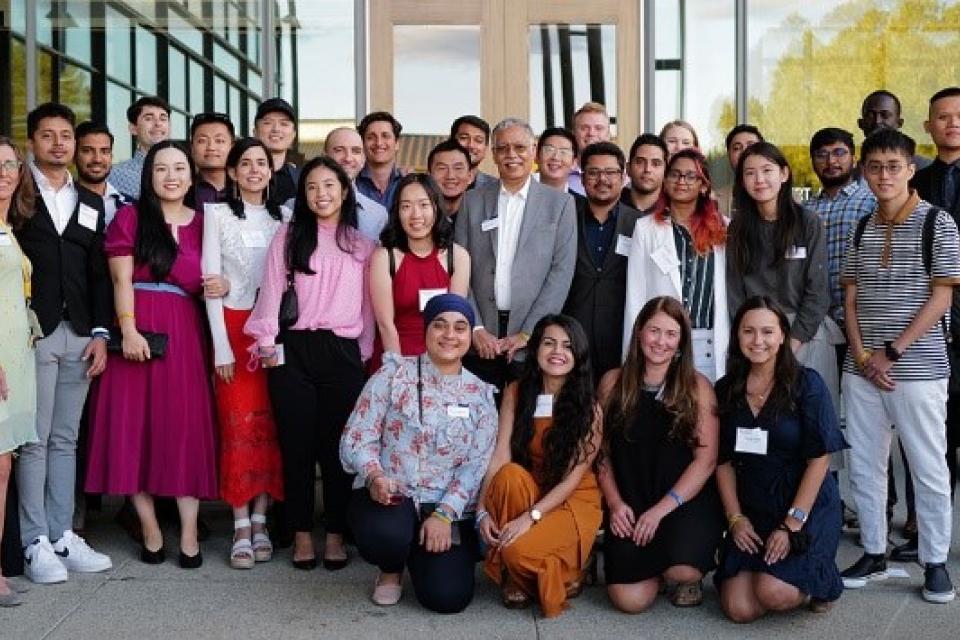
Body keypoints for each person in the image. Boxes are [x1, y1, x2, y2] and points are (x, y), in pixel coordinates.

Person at [840, 128, 960, 604]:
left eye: (894, 166)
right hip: (862, 368)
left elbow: (942, 295)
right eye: (874, 167)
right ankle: (874, 551)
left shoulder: (939, 223)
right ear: (865, 172)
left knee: (928, 466)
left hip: (919, 368)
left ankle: (934, 562)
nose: (884, 175)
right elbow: (848, 296)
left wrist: (891, 351)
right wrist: (864, 355)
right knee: (865, 465)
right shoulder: (861, 225)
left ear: (912, 170)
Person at [85, 141, 217, 569]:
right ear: (149, 175)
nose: (171, 176)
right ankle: (151, 530)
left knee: (182, 430)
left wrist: (224, 286)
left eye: (180, 167)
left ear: (191, 175)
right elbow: (120, 278)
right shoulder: (130, 217)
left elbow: (217, 276)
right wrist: (128, 328)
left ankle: (191, 532)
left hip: (184, 335)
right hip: (137, 331)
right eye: (162, 169)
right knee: (133, 431)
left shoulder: (206, 223)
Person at [245, 156, 375, 572]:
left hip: (342, 351)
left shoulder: (362, 244)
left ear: (344, 191)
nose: (321, 193)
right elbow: (269, 292)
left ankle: (335, 534)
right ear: (304, 195)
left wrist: (365, 351)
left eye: (330, 186)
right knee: (296, 445)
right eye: (313, 187)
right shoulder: (288, 235)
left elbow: (369, 307)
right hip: (293, 349)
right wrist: (266, 339)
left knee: (337, 448)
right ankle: (302, 533)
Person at [341, 293, 497, 612]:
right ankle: (391, 567)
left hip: (443, 506)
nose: (449, 335)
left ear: (470, 335)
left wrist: (444, 514)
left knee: (447, 598)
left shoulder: (480, 395)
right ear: (426, 331)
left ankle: (421, 551)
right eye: (439, 325)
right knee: (386, 535)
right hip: (392, 493)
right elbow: (357, 435)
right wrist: (374, 475)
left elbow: (476, 465)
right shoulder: (393, 375)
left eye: (460, 327)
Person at [16, 103, 112, 584]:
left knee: (65, 438)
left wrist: (101, 333)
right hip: (32, 332)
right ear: (32, 141)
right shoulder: (16, 195)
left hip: (80, 334)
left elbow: (98, 275)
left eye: (65, 136)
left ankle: (60, 534)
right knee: (33, 439)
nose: (59, 144)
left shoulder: (91, 203)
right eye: (48, 135)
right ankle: (32, 541)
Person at [714, 296, 846, 621]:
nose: (758, 341)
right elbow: (722, 461)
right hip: (754, 507)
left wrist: (791, 525)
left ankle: (819, 580)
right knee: (739, 609)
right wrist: (735, 519)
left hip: (804, 505)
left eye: (767, 332)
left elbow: (820, 460)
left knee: (774, 593)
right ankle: (774, 574)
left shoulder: (807, 384)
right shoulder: (726, 389)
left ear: (782, 336)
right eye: (748, 331)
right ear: (737, 336)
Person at [600, 296, 724, 612]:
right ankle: (653, 572)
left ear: (681, 341)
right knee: (629, 601)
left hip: (681, 501)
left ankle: (678, 571)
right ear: (639, 332)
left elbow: (706, 460)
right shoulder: (613, 382)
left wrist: (660, 510)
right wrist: (615, 504)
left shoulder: (697, 387)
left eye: (671, 334)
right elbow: (599, 453)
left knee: (683, 570)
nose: (661, 342)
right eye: (654, 331)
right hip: (631, 497)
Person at [477, 314, 602, 617]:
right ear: (535, 349)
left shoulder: (591, 408)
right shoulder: (516, 392)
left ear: (578, 355)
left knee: (516, 550)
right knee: (509, 475)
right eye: (549, 343)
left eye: (567, 346)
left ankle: (563, 569)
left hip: (571, 500)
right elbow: (500, 455)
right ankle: (540, 572)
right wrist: (481, 510)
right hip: (530, 489)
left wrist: (529, 519)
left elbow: (571, 481)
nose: (557, 352)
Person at [201, 137, 287, 569]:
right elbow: (210, 284)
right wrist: (220, 348)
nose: (255, 170)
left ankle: (260, 519)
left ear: (271, 172)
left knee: (272, 427)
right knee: (238, 428)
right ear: (232, 172)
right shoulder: (215, 215)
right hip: (233, 331)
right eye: (246, 163)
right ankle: (238, 522)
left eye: (262, 163)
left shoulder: (285, 217)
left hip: (272, 332)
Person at [454, 117, 577, 393]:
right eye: (503, 148)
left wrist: (528, 333)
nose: (512, 155)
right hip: (480, 337)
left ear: (534, 151)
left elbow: (561, 272)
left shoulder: (559, 204)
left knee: (523, 421)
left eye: (520, 147)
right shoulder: (472, 201)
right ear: (494, 155)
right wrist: (475, 327)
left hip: (531, 338)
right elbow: (458, 269)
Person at [726, 142, 836, 410]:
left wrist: (792, 341)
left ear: (784, 174)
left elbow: (818, 290)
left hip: (805, 334)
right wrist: (754, 337)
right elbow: (734, 293)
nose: (759, 179)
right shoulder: (737, 229)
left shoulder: (808, 222)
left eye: (767, 170)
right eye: (750, 173)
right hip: (756, 339)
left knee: (813, 419)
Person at [625, 149, 729, 382]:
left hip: (709, 342)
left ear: (703, 186)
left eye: (691, 176)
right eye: (675, 174)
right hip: (660, 344)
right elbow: (635, 296)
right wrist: (631, 352)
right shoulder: (646, 229)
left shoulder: (724, 229)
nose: (681, 181)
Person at [913, 87, 960, 520]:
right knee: (933, 434)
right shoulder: (916, 182)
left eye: (958, 115)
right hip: (925, 320)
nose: (952, 122)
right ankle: (926, 526)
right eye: (942, 116)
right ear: (929, 126)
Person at [370, 173, 470, 372]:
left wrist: (442, 368)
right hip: (394, 359)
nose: (416, 215)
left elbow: (455, 321)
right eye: (406, 206)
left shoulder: (457, 257)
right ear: (397, 212)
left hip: (442, 359)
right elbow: (385, 324)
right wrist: (399, 374)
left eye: (423, 205)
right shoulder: (384, 257)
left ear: (436, 207)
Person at [563, 141, 642, 383]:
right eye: (594, 173)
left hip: (621, 336)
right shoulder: (564, 219)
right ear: (583, 177)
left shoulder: (641, 225)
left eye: (610, 173)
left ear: (623, 177)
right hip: (572, 336)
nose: (602, 179)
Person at [0, 138, 40, 606]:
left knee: (5, 466)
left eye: (10, 165)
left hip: (18, 356)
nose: (5, 172)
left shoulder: (10, 228)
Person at [324, 126, 388, 242]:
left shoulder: (378, 214)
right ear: (324, 157)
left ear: (363, 159)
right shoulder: (294, 207)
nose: (348, 158)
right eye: (339, 150)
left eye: (356, 151)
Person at [110, 96, 171, 200]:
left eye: (163, 118)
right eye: (149, 118)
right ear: (133, 128)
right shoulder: (114, 175)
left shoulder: (184, 172)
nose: (158, 123)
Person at [74, 121, 130, 226]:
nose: (97, 159)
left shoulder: (130, 205)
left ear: (111, 156)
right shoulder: (63, 201)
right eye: (88, 151)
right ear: (74, 156)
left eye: (104, 151)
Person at [254, 97, 299, 206]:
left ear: (293, 135)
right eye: (268, 123)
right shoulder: (240, 176)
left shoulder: (303, 179)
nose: (276, 129)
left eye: (284, 124)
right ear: (255, 132)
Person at [356, 111, 404, 210]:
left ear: (397, 143)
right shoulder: (352, 184)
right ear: (362, 144)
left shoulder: (408, 183)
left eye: (385, 136)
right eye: (371, 137)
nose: (378, 143)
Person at [189, 111, 235, 210]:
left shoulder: (245, 187)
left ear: (232, 147)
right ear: (192, 147)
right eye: (202, 141)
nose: (211, 147)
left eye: (219, 141)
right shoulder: (182, 189)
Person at [716, 124, 763, 217]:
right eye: (737, 148)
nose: (744, 152)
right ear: (729, 155)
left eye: (751, 146)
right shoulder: (714, 200)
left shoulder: (787, 197)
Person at [568, 102, 612, 195]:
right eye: (584, 128)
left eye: (599, 128)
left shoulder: (626, 176)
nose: (591, 133)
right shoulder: (561, 173)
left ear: (609, 135)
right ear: (573, 134)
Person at [620, 133, 667, 215]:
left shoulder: (674, 211)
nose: (647, 169)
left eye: (656, 164)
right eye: (640, 162)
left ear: (666, 171)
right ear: (628, 168)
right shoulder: (611, 206)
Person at [426, 139, 473, 218]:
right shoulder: (419, 217)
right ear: (429, 176)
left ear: (470, 176)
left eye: (458, 168)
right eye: (442, 168)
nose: (450, 176)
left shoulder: (481, 215)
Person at [451, 115, 496, 189]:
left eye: (478, 140)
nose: (471, 145)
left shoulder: (495, 188)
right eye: (464, 138)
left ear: (486, 147)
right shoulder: (433, 183)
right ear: (451, 142)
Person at [536, 127, 580, 196]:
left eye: (563, 152)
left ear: (574, 163)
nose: (555, 157)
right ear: (537, 157)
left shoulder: (583, 205)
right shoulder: (521, 198)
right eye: (549, 150)